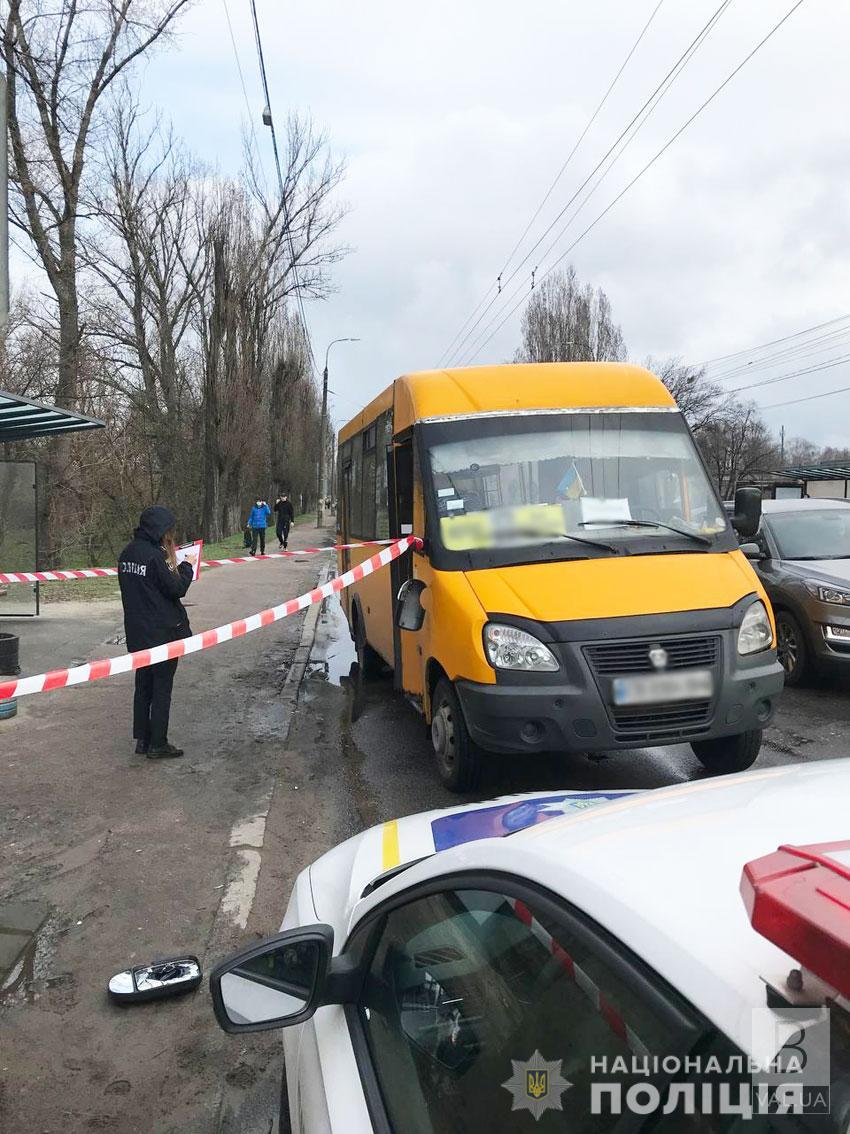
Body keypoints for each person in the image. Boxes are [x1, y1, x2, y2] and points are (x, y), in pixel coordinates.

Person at [118, 506, 193, 759]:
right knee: (162, 687)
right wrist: (187, 569)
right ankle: (158, 743)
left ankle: (143, 739)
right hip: (163, 633)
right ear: (159, 530)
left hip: (138, 632)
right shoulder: (153, 557)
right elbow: (175, 589)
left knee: (143, 685)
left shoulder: (127, 554)